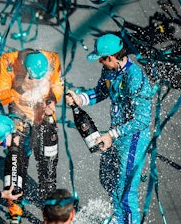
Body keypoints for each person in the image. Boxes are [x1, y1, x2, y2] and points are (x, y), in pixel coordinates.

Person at [66, 34, 153, 224]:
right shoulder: (109, 71)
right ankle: (118, 217)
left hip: (133, 138)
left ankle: (127, 219)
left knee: (126, 192)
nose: (99, 61)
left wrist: (112, 135)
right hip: (116, 135)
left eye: (101, 58)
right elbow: (100, 92)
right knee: (108, 178)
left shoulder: (134, 77)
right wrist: (79, 98)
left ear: (112, 57)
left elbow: (142, 120)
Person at [0, 49, 63, 223]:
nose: (38, 82)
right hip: (19, 116)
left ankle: (49, 213)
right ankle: (15, 209)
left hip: (44, 116)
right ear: (24, 68)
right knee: (16, 162)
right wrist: (21, 87)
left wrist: (52, 101)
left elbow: (57, 85)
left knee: (48, 165)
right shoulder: (8, 61)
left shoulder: (53, 59)